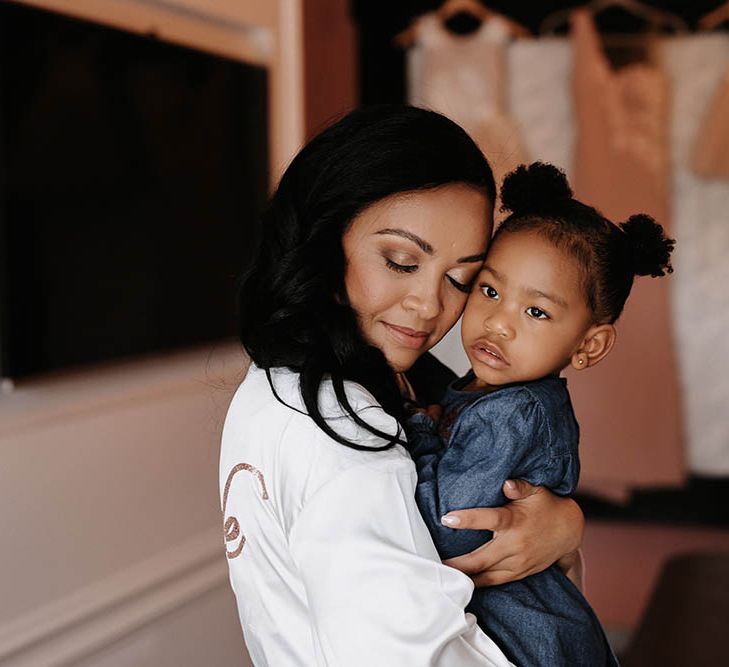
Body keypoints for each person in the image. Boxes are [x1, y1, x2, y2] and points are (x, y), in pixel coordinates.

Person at [220, 106, 584, 666]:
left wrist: (559, 526)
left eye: (463, 278)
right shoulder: (342, 429)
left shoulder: (287, 381)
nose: (430, 305)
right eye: (400, 260)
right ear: (325, 238)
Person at [405, 162, 675, 666]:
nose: (499, 322)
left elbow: (448, 527)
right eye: (489, 290)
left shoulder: (516, 412)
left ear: (589, 345)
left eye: (536, 312)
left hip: (530, 647)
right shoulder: (486, 390)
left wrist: (417, 426)